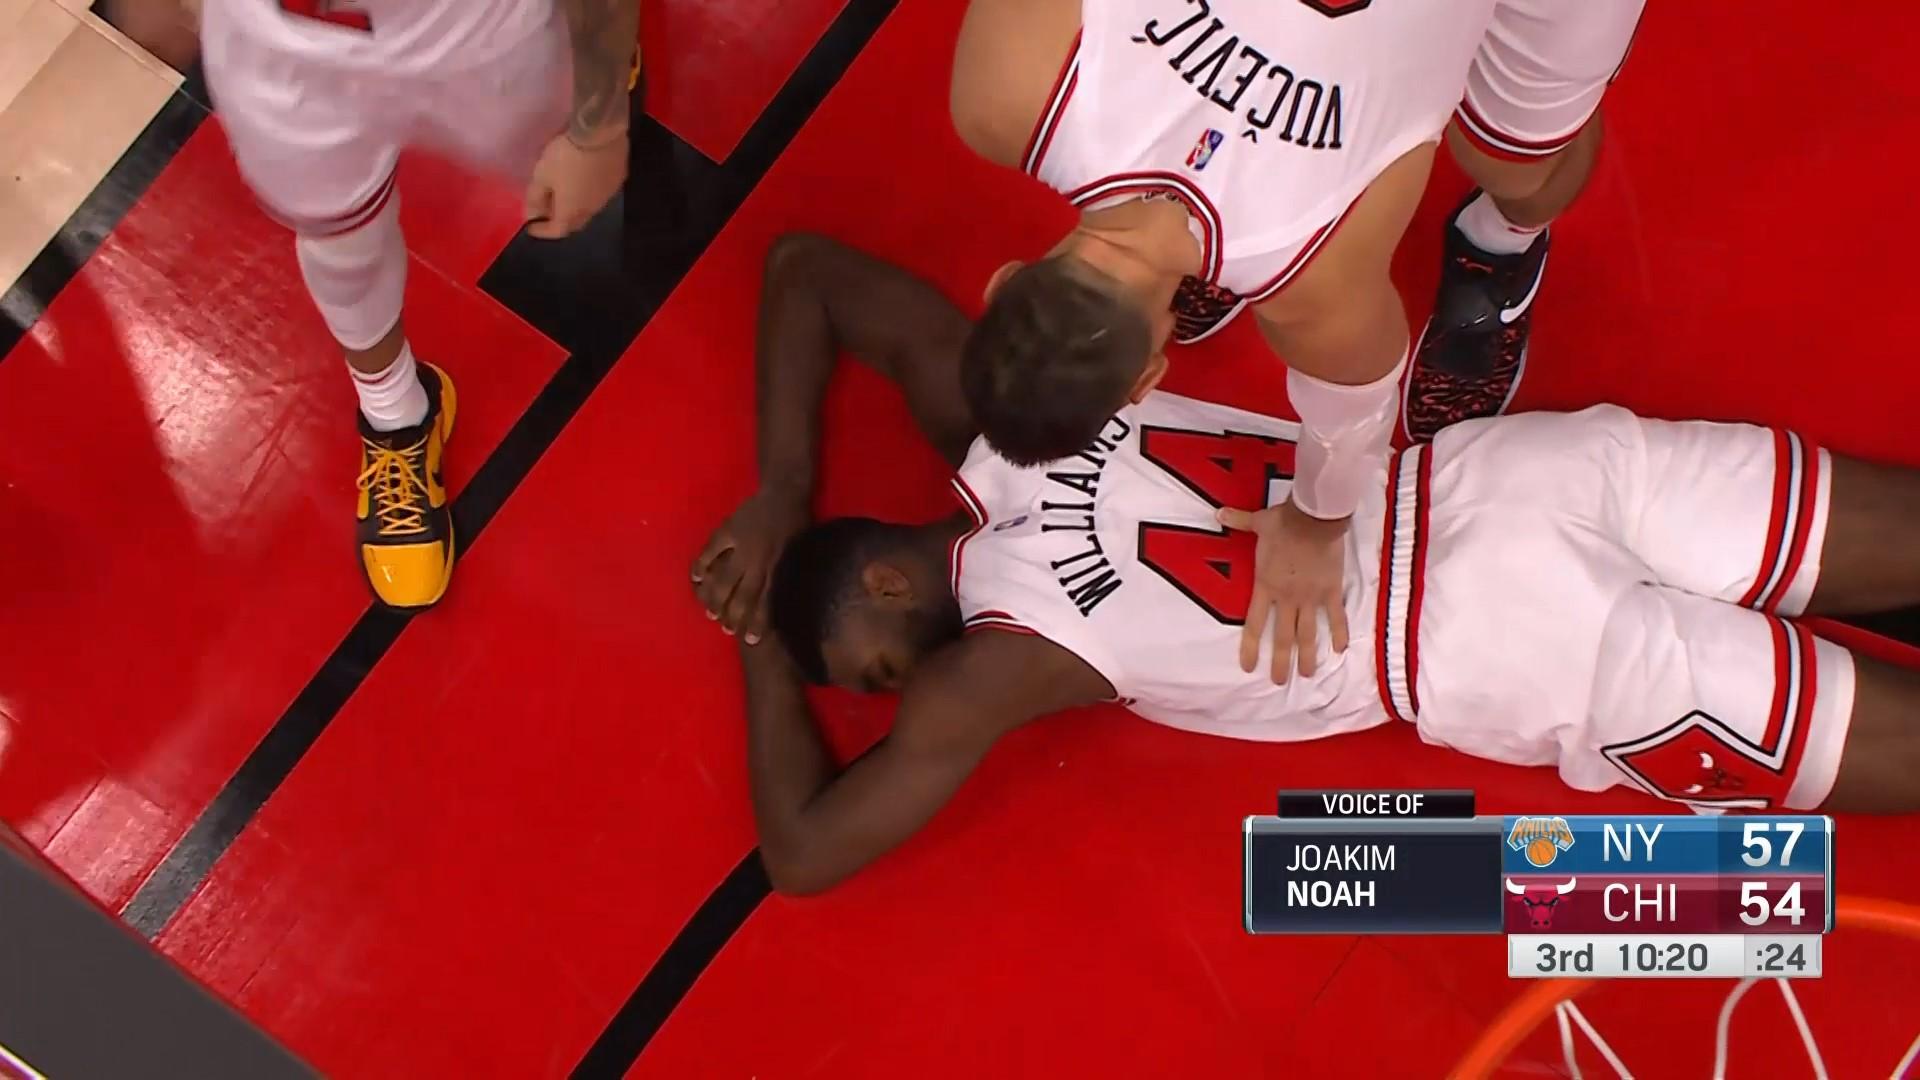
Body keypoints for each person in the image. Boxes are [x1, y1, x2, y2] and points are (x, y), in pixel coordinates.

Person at [694, 234, 1919, 896]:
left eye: (869, 670)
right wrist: (782, 490)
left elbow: (802, 853)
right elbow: (807, 273)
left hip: (1491, 650)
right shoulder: (994, 414)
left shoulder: (991, 672)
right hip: (1495, 480)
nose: (892, 690)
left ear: (889, 583)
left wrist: (753, 626)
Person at [947, 0, 1643, 684]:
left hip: (1294, 240)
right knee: (1500, 148)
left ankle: (1507, 236)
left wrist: (1314, 527)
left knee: (1519, 166)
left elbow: (1353, 420)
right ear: (1004, 282)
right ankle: (1216, 222)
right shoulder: (999, 94)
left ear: (1147, 378)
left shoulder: (1312, 290)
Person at [107, 0, 641, 608]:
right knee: (341, 241)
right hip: (278, 40)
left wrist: (599, 126)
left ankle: (593, 56)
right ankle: (397, 411)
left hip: (471, 21)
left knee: (561, 125)